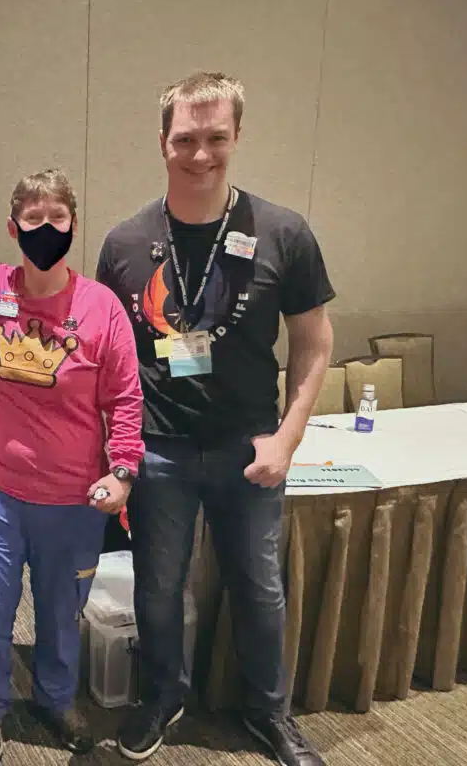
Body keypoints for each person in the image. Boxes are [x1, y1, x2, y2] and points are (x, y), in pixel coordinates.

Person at [96, 72, 335, 766]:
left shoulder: (283, 232)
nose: (200, 154)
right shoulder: (126, 242)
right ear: (162, 141)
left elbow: (315, 343)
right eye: (186, 139)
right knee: (157, 586)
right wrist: (118, 455)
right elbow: (112, 360)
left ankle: (270, 714)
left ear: (236, 137)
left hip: (248, 447)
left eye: (216, 139)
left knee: (259, 588)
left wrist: (287, 440)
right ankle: (163, 697)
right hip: (160, 451)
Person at [0, 169, 145, 763]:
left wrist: (124, 471)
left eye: (57, 218)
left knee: (62, 611)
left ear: (73, 226)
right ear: (13, 228)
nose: (46, 229)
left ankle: (56, 701)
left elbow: (126, 399)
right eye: (33, 219)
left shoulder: (100, 307)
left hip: (72, 496)